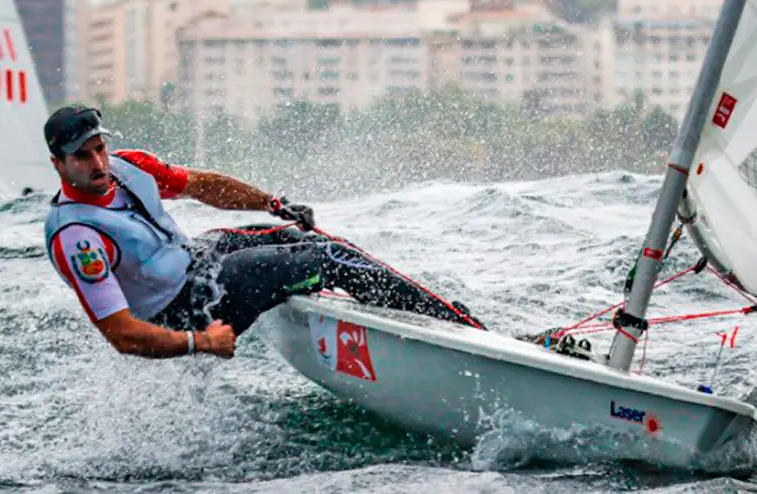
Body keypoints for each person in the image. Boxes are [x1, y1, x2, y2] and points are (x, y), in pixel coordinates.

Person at [42, 105, 485, 360]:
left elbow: (203, 186)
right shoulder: (77, 238)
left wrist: (272, 203)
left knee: (305, 238)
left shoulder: (129, 167)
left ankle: (430, 315)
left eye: (100, 149)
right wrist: (201, 342)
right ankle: (468, 332)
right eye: (82, 157)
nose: (98, 164)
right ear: (58, 164)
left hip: (196, 264)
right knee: (327, 258)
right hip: (185, 312)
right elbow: (121, 334)